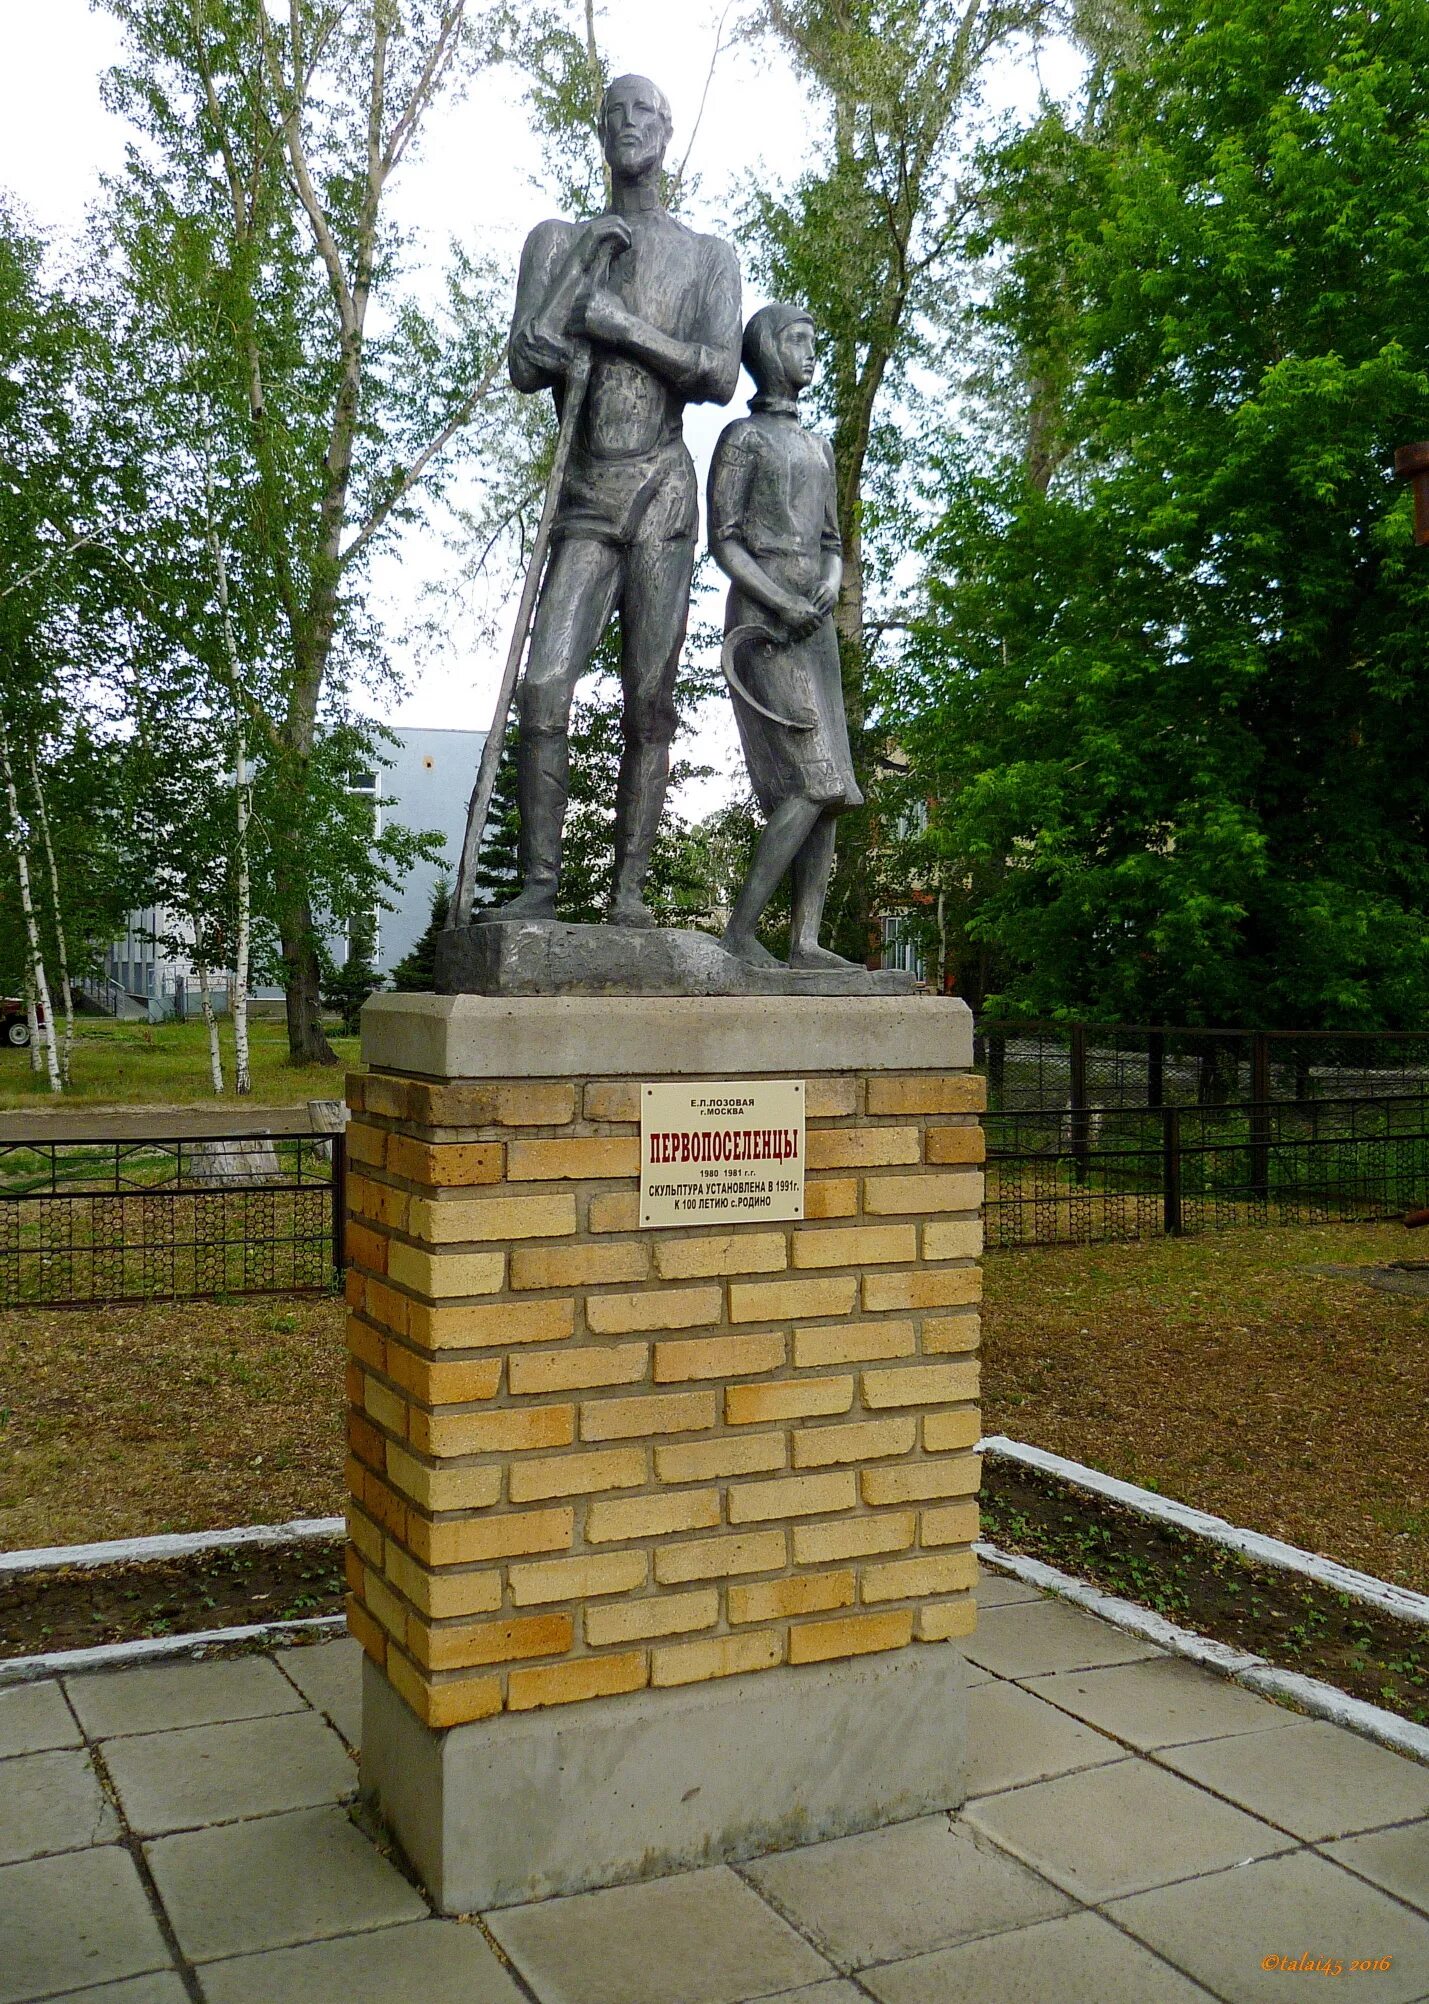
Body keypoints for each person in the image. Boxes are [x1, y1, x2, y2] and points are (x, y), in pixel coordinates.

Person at [488, 73, 742, 928]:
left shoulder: (707, 255)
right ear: (599, 134)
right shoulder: (559, 238)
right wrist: (573, 288)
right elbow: (528, 365)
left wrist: (619, 322)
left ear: (667, 131)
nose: (626, 124)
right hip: (586, 492)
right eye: (612, 114)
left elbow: (716, 371)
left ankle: (627, 894)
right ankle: (540, 887)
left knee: (649, 699)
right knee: (545, 686)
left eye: (642, 112)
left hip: (663, 495)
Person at [707, 304, 863, 969]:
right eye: (798, 340)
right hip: (765, 620)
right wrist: (780, 600)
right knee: (808, 781)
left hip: (815, 625)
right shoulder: (742, 437)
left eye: (814, 341)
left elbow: (832, 538)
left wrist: (830, 580)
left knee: (832, 794)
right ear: (766, 349)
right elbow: (726, 541)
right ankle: (741, 930)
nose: (810, 354)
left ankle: (804, 940)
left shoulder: (817, 445)